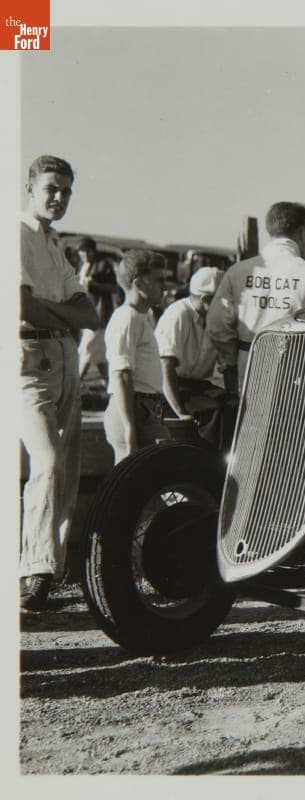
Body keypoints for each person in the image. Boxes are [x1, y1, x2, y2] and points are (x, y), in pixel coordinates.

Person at [19, 155, 100, 611]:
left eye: (67, 191)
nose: (59, 197)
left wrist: (60, 315)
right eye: (51, 188)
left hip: (64, 355)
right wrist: (63, 314)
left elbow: (91, 316)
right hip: (28, 356)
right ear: (30, 186)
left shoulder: (55, 244)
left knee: (66, 469)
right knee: (46, 462)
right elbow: (23, 309)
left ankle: (50, 571)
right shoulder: (17, 234)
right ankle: (34, 570)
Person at [208, 202, 305, 391]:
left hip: (246, 370)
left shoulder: (237, 272)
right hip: (296, 374)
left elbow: (217, 326)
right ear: (303, 233)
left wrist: (232, 363)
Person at [103, 250, 171, 464]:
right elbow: (122, 375)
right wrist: (129, 427)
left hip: (145, 409)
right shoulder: (127, 318)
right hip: (135, 410)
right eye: (159, 280)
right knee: (163, 473)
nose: (165, 286)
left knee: (149, 485)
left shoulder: (141, 317)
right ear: (140, 284)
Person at [155, 266, 227, 447]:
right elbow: (165, 367)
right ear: (205, 300)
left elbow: (226, 363)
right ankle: (209, 464)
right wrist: (180, 412)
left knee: (235, 405)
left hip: (193, 386)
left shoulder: (215, 319)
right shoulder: (178, 314)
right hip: (166, 388)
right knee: (214, 411)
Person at [75, 238, 121, 387]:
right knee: (98, 355)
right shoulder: (83, 266)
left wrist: (95, 284)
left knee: (86, 349)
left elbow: (114, 288)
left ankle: (75, 385)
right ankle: (110, 387)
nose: (85, 254)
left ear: (94, 251)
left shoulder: (103, 265)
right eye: (82, 251)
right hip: (85, 313)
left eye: (88, 251)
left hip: (99, 314)